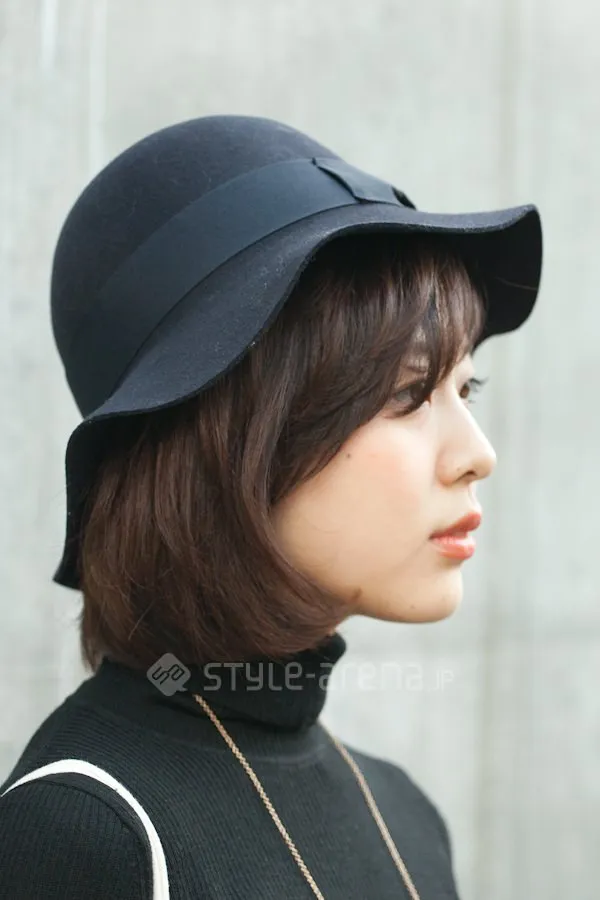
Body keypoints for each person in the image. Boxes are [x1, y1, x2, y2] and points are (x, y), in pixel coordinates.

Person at [0, 115, 543, 899]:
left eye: (467, 389)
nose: (477, 454)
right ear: (227, 439)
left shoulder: (405, 816)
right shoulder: (86, 834)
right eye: (407, 392)